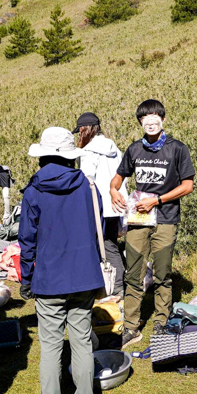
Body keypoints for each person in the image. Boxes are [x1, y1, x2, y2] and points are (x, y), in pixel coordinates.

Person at [19, 127, 105, 394]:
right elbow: (99, 229)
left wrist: (26, 278)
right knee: (82, 341)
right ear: (71, 157)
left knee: (51, 345)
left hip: (49, 279)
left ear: (42, 156)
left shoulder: (33, 191)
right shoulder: (89, 187)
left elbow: (26, 240)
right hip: (84, 276)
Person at [110, 99, 195, 349]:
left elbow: (187, 186)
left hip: (166, 219)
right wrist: (113, 190)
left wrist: (156, 200)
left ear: (163, 119)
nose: (150, 120)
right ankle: (131, 328)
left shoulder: (177, 149)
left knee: (162, 274)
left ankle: (161, 322)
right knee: (133, 274)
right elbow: (117, 179)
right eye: (144, 117)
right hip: (138, 220)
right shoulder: (134, 149)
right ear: (140, 122)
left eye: (155, 115)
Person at [74, 112, 127, 298]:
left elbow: (87, 179)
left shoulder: (88, 151)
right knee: (111, 244)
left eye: (79, 132)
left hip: (98, 206)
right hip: (116, 202)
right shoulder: (114, 148)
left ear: (85, 130)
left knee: (104, 246)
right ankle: (115, 284)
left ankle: (115, 287)